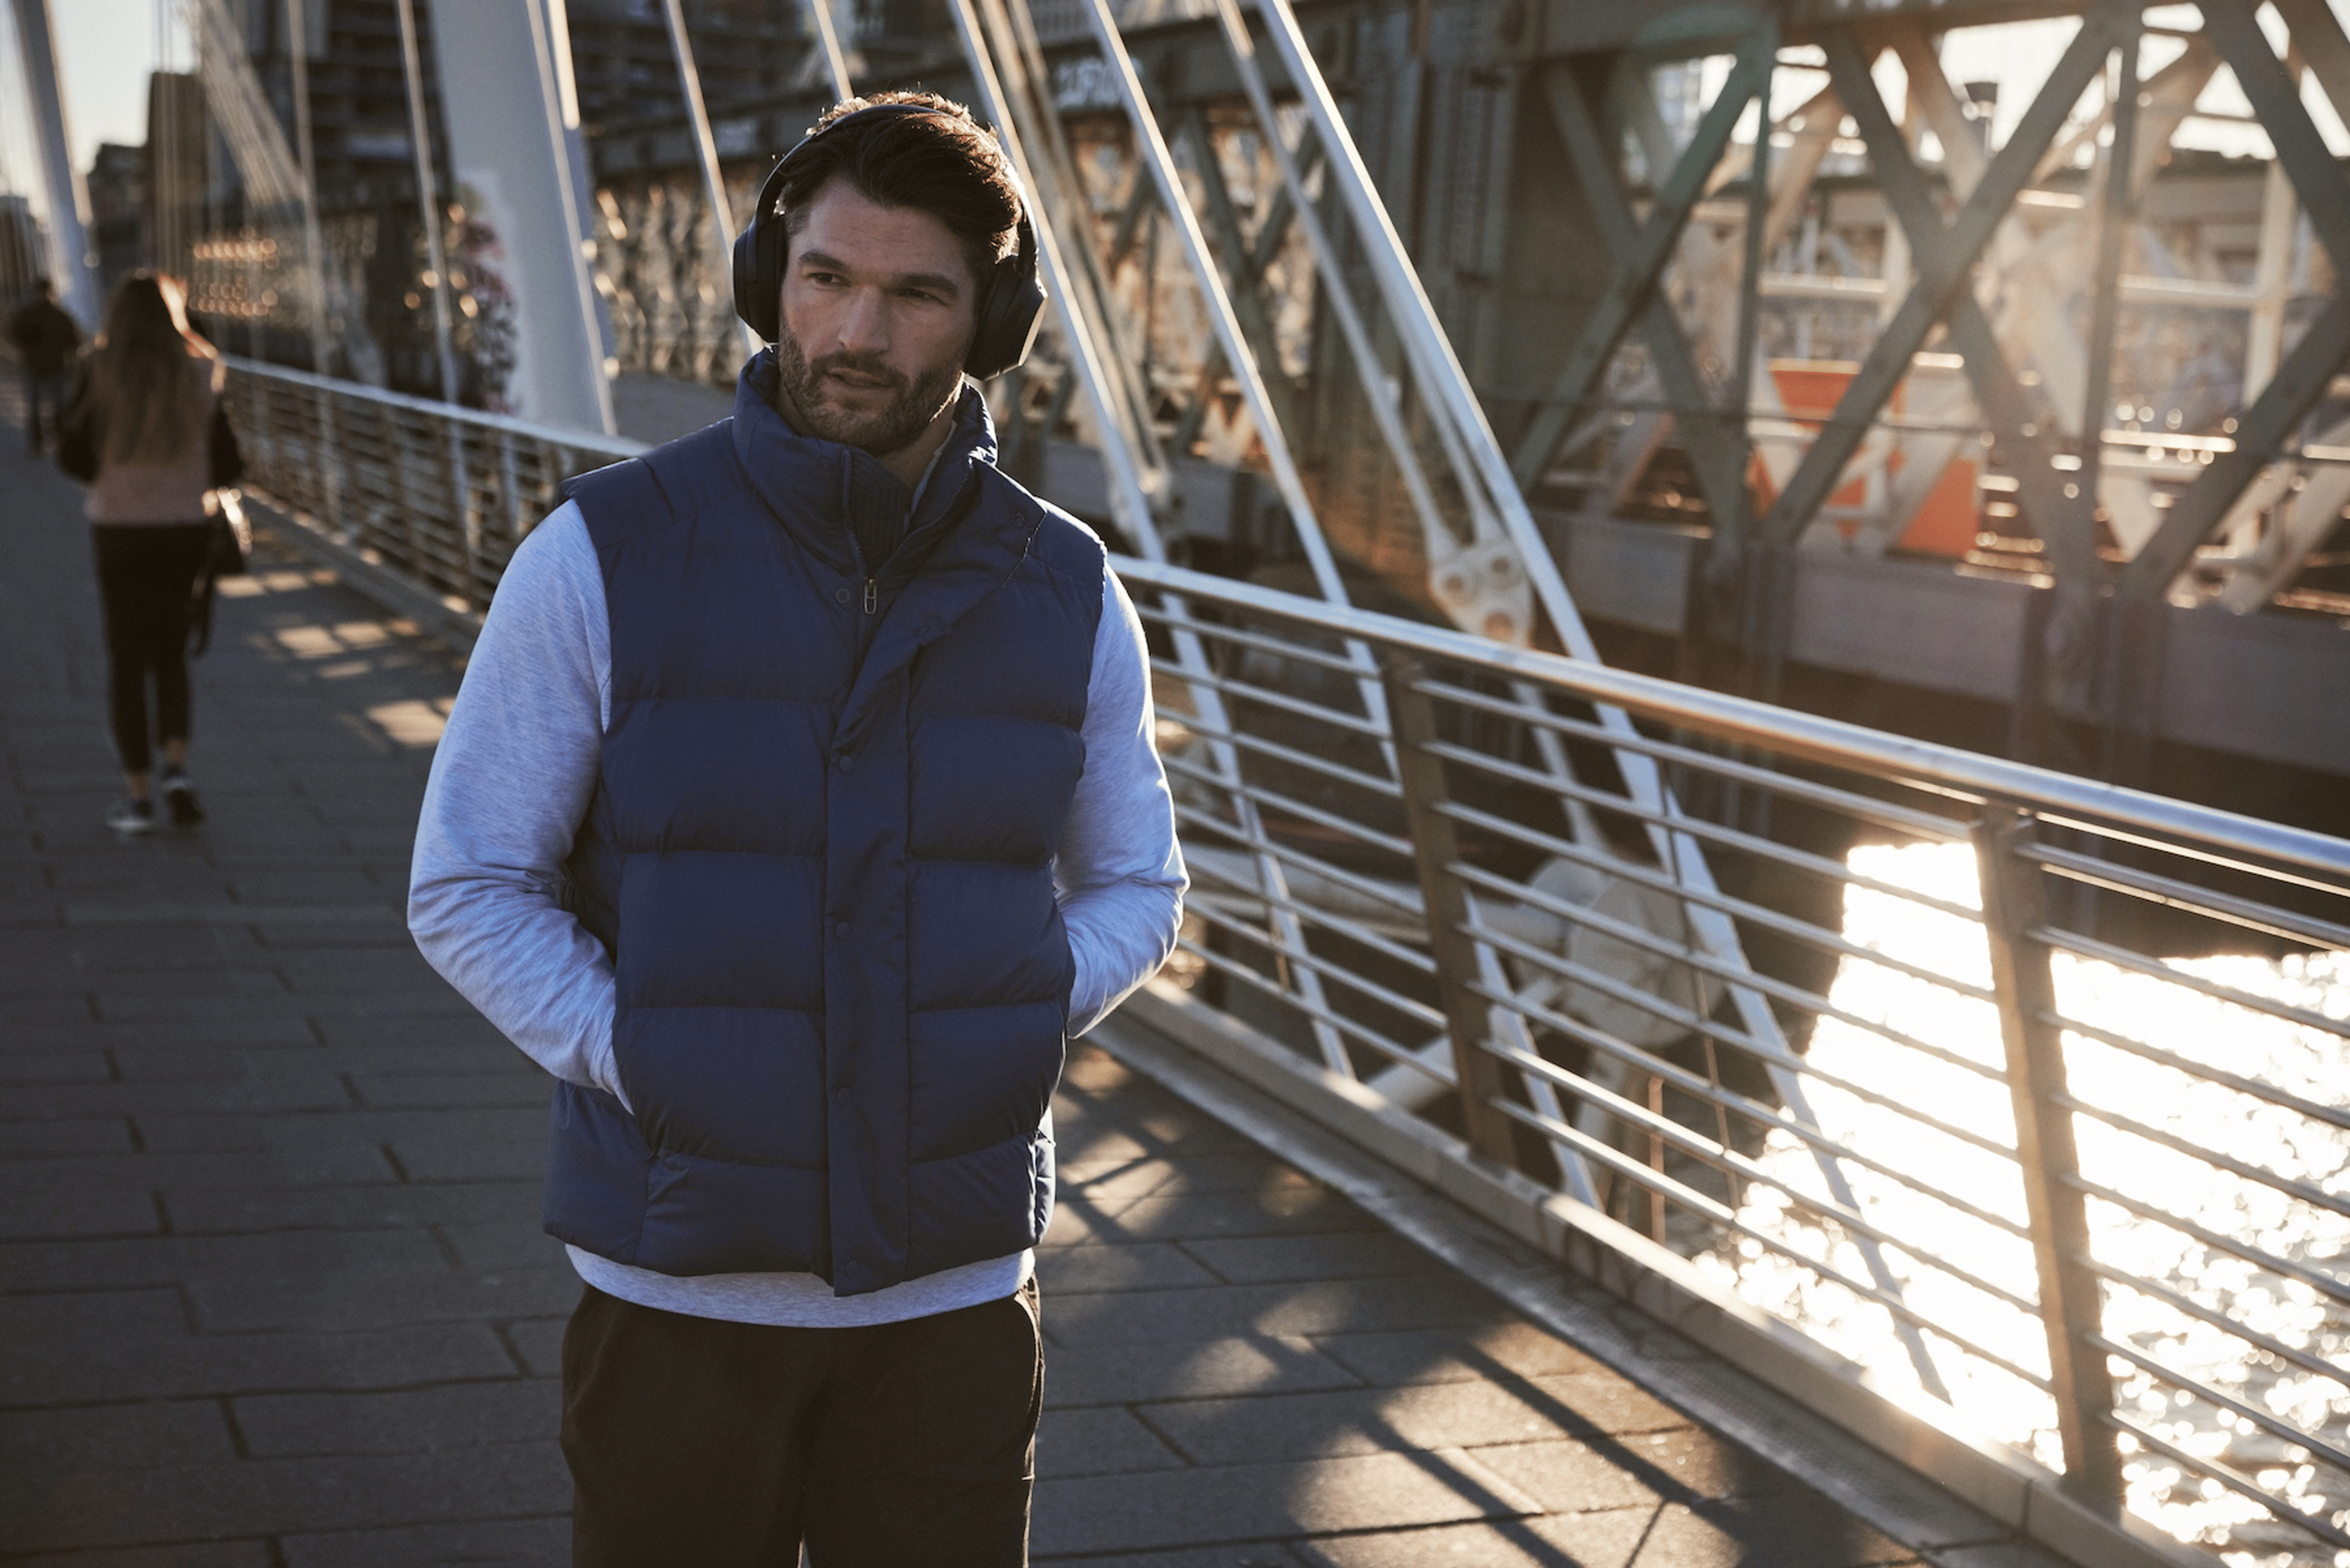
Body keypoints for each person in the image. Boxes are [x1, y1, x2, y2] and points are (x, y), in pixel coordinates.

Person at [409, 93, 1185, 1566]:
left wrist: (1005, 1015)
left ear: (990, 322)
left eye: (914, 295)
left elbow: (1137, 884)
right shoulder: (602, 553)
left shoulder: (1068, 590)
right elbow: (469, 884)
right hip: (678, 1295)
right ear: (770, 281)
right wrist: (640, 1050)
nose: (854, 333)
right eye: (824, 277)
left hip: (953, 1306)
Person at [56, 272, 236, 834]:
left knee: (126, 660)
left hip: (119, 528)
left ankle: (137, 797)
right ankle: (177, 770)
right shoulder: (201, 368)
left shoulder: (96, 369)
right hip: (184, 528)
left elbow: (72, 454)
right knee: (171, 654)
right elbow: (230, 461)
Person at [9, 276, 82, 455]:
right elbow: (14, 335)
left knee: (56, 407)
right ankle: (41, 444)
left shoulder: (54, 315)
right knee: (40, 407)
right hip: (38, 366)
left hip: (51, 366)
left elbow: (73, 341)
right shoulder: (38, 315)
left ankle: (55, 442)